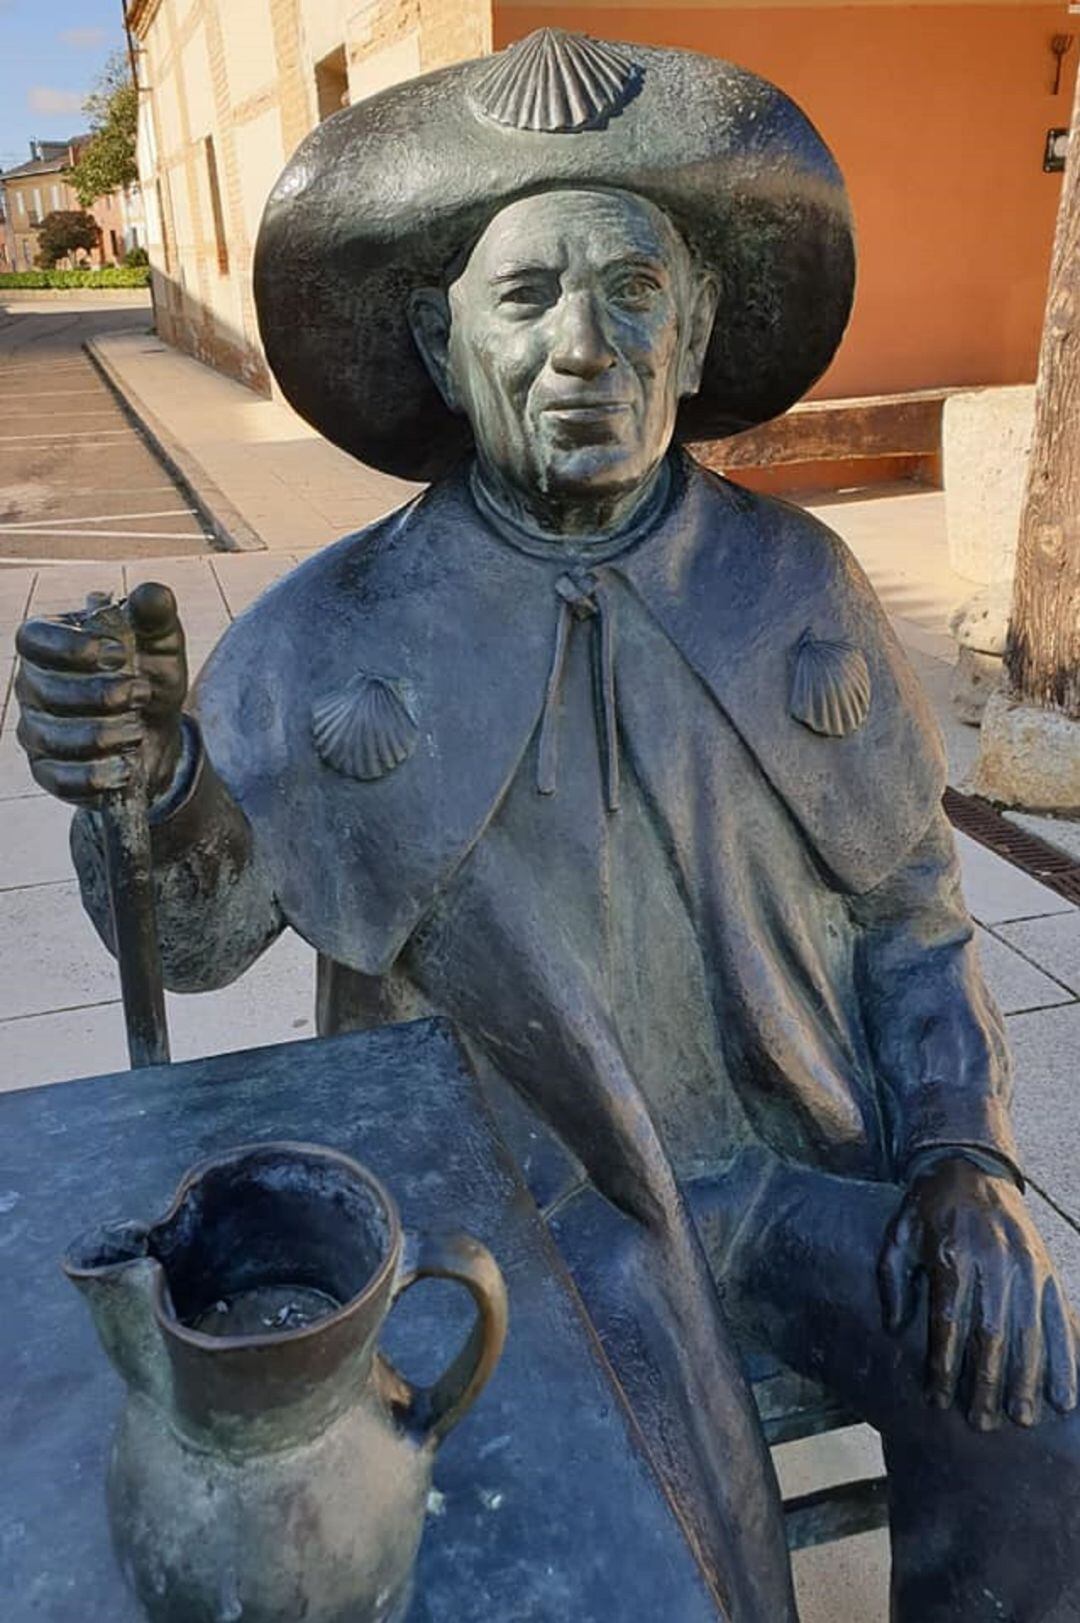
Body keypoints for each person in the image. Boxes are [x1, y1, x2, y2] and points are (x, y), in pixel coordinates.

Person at [15, 32, 1080, 1620]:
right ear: (447, 352)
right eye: (525, 299)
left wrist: (966, 1163)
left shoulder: (794, 587)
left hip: (790, 1185)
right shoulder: (336, 631)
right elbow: (206, 920)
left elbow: (917, 919)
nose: (586, 345)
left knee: (1027, 1389)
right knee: (662, 1559)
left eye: (633, 291)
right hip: (517, 1220)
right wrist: (153, 777)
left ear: (697, 326)